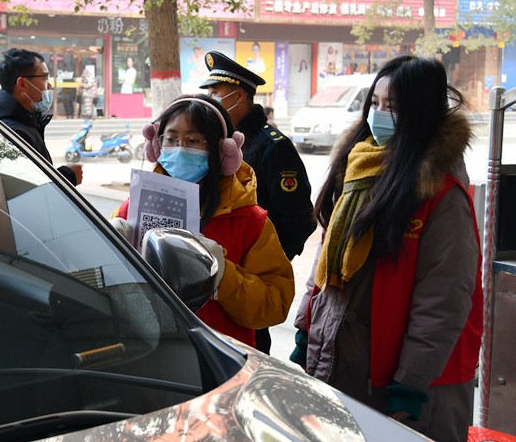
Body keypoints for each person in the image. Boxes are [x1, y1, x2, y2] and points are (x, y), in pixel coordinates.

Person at [290, 56, 482, 441]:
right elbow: (326, 259)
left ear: (421, 113)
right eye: (374, 103)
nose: (378, 115)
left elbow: (442, 303)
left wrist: (409, 385)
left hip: (412, 389)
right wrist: (307, 325)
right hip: (345, 360)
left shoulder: (442, 196)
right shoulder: (358, 171)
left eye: (392, 107)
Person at [111, 94, 294, 348]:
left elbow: (276, 305)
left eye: (193, 140)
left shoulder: (250, 221)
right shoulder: (133, 209)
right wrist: (107, 247)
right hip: (148, 352)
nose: (179, 148)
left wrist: (223, 276)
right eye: (171, 139)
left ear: (222, 150)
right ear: (156, 145)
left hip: (218, 358)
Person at [201, 51, 316, 354]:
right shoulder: (219, 140)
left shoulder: (273, 147)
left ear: (238, 96)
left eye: (215, 93)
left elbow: (299, 219)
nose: (211, 100)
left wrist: (263, 263)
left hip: (250, 287)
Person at [0, 48, 82, 186]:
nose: (49, 85)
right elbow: (26, 189)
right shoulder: (13, 131)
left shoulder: (20, 117)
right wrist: (67, 177)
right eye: (44, 78)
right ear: (22, 84)